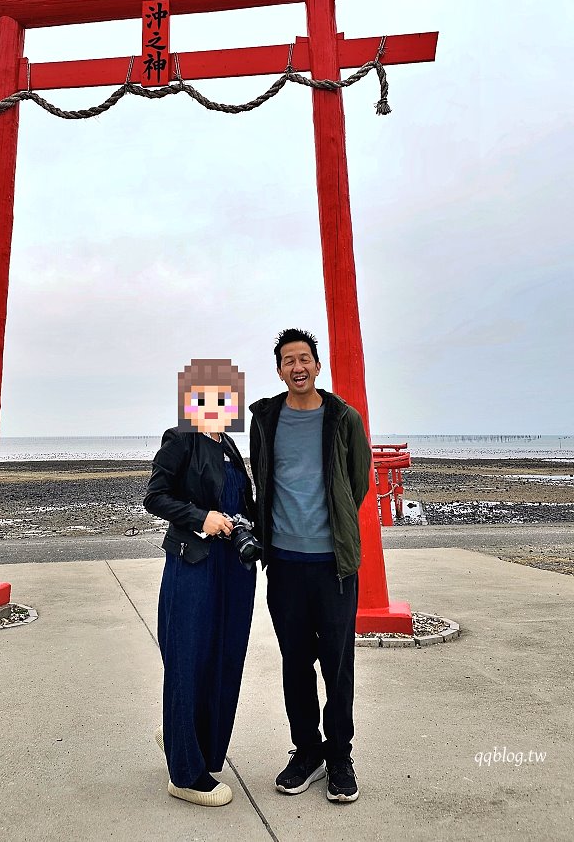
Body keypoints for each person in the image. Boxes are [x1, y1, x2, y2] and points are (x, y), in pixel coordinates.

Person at [249, 328, 371, 804]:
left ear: (317, 366)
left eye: (305, 359)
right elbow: (260, 476)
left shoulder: (343, 418)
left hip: (333, 565)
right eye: (287, 361)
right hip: (283, 563)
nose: (297, 367)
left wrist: (331, 527)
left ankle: (340, 756)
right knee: (295, 662)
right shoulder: (265, 417)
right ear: (279, 370)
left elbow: (357, 483)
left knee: (337, 665)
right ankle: (307, 751)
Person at [143, 358, 258, 807]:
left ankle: (199, 748)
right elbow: (155, 496)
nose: (216, 402)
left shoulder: (228, 445)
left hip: (233, 570)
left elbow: (237, 500)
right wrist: (201, 518)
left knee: (224, 659)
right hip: (194, 564)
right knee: (188, 660)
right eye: (205, 394)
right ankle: (185, 775)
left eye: (225, 394)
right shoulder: (182, 439)